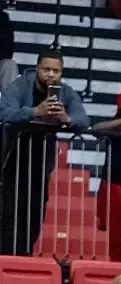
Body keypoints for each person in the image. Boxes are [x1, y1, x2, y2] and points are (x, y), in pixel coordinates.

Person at [0, 52, 86, 256]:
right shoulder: (20, 85)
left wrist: (67, 118)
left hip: (41, 160)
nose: (51, 75)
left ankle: (24, 254)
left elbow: (83, 120)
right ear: (37, 68)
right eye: (46, 69)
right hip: (13, 155)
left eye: (56, 71)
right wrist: (33, 112)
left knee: (35, 211)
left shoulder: (65, 92)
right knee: (10, 210)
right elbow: (4, 112)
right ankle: (8, 256)